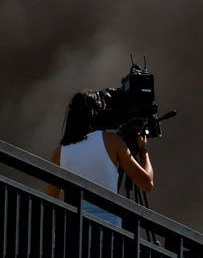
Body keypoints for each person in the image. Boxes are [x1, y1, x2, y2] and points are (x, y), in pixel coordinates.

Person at [50, 89, 153, 225]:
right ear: (98, 114)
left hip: (74, 236)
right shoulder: (113, 141)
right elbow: (146, 184)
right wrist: (143, 150)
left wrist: (57, 239)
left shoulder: (60, 152)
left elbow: (51, 202)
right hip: (108, 235)